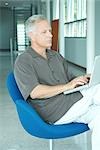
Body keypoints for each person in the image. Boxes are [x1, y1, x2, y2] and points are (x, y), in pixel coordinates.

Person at [14, 14, 100, 150]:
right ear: (31, 35)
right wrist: (67, 86)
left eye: (50, 31)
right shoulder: (24, 60)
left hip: (72, 102)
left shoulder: (56, 56)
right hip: (53, 111)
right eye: (44, 32)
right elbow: (35, 92)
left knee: (98, 116)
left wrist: (85, 78)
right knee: (98, 89)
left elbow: (70, 80)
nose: (50, 35)